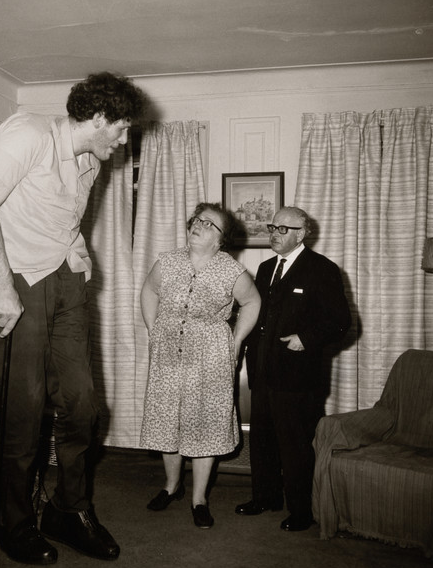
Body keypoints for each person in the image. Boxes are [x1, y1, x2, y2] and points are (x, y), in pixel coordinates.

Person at [0, 71, 145, 566]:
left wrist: (79, 264)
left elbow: (62, 220)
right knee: (23, 410)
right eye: (122, 129)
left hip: (64, 279)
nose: (123, 141)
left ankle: (68, 510)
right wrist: (3, 288)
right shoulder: (27, 134)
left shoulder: (91, 161)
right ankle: (15, 522)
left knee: (83, 405)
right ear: (100, 117)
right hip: (14, 277)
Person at [139, 203, 261, 529]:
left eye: (209, 224)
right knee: (168, 419)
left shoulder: (231, 270)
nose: (198, 225)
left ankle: (199, 498)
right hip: (168, 352)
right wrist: (153, 329)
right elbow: (149, 290)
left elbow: (253, 302)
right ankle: (171, 486)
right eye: (197, 220)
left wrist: (236, 341)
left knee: (204, 423)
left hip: (210, 356)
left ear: (221, 239)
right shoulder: (167, 261)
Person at [238, 206, 351, 531]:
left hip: (299, 378)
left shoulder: (322, 269)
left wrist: (307, 338)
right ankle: (265, 497)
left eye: (282, 229)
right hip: (262, 371)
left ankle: (301, 511)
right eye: (272, 227)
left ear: (301, 234)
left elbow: (340, 321)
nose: (274, 234)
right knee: (262, 440)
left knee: (296, 446)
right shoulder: (265, 269)